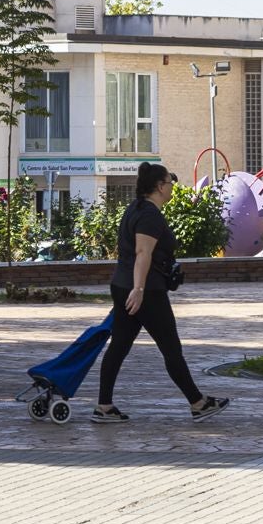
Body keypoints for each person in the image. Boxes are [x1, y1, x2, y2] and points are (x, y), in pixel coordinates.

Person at [93, 161, 228, 423]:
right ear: (159, 186)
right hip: (146, 292)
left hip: (123, 286)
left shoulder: (136, 208)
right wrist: (140, 289)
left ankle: (104, 407)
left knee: (118, 347)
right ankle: (198, 403)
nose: (172, 187)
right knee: (170, 348)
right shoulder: (149, 215)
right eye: (169, 183)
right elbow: (143, 253)